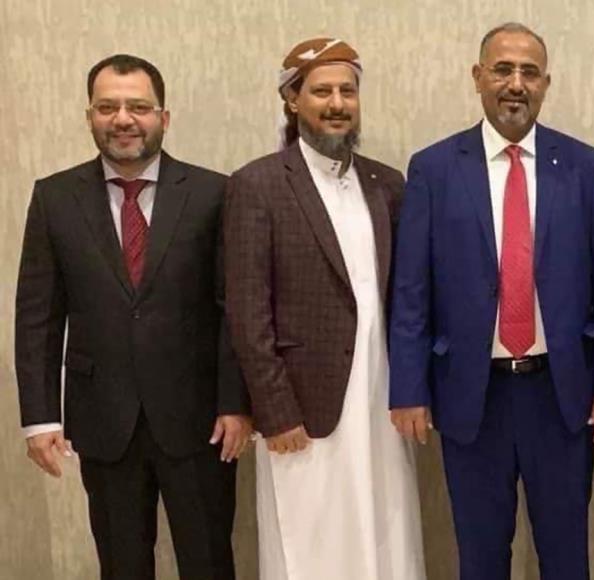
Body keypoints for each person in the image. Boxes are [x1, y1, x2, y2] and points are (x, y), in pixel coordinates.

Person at [388, 22, 594, 580]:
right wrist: (408, 388)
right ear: (478, 77)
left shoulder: (584, 165)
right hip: (471, 396)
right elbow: (411, 290)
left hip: (561, 395)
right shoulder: (434, 168)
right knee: (480, 556)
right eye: (502, 70)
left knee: (565, 555)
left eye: (529, 72)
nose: (516, 83)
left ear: (546, 83)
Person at [14, 53, 251, 580]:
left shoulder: (214, 193)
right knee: (121, 566)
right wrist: (41, 417)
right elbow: (37, 316)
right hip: (103, 419)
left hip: (200, 421)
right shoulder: (54, 198)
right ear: (89, 117)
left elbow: (233, 308)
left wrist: (236, 403)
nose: (123, 118)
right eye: (108, 107)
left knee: (209, 562)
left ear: (164, 117)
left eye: (138, 107)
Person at [223, 37, 425, 580]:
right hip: (303, 410)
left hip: (382, 398)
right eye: (321, 92)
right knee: (310, 543)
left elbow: (407, 297)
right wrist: (275, 411)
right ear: (292, 100)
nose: (337, 104)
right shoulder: (258, 185)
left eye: (347, 91)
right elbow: (247, 311)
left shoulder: (387, 183)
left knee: (386, 530)